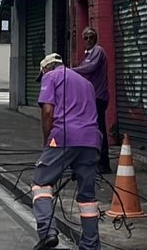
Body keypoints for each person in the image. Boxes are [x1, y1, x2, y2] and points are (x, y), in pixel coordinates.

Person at [31, 53, 102, 250]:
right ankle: (90, 245)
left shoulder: (50, 76)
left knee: (41, 183)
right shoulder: (86, 83)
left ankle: (47, 232)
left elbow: (47, 111)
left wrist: (47, 142)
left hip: (64, 136)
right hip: (91, 140)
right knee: (87, 198)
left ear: (46, 68)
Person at [72, 27, 111, 174]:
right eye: (86, 37)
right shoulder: (87, 54)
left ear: (96, 38)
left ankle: (103, 163)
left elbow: (89, 68)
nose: (89, 40)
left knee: (99, 129)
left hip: (98, 97)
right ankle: (93, 160)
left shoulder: (98, 51)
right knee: (91, 129)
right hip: (90, 97)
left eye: (91, 37)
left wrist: (70, 70)